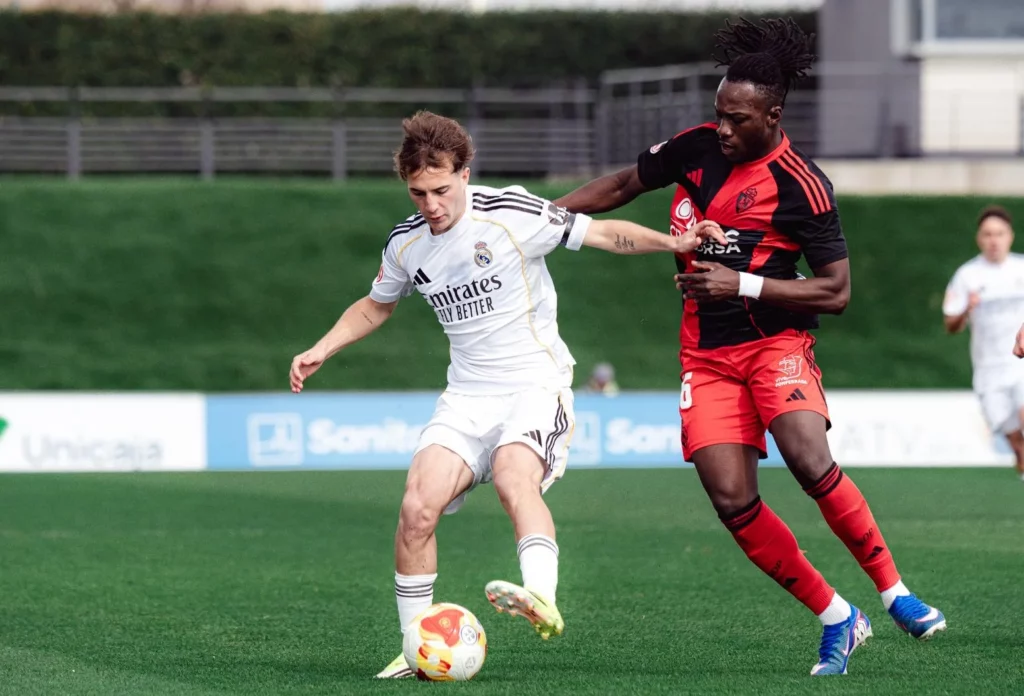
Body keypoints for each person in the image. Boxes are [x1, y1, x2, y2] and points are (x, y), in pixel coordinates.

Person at [553, 17, 945, 676]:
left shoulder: (803, 185)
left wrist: (746, 283)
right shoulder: (696, 147)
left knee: (806, 454)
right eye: (718, 115)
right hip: (705, 356)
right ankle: (837, 618)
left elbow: (836, 291)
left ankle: (894, 593)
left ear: (773, 114)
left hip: (775, 346)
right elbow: (623, 186)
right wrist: (543, 218)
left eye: (737, 119)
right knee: (730, 496)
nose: (723, 129)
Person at [287, 111, 727, 679]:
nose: (431, 204)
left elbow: (601, 234)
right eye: (418, 193)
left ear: (465, 173)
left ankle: (540, 595)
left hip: (534, 387)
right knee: (417, 508)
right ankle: (415, 647)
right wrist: (323, 347)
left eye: (442, 189)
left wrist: (676, 240)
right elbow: (377, 304)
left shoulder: (512, 213)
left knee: (515, 476)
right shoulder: (407, 243)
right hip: (467, 397)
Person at [944, 205, 1024, 480]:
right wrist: (967, 308)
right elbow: (950, 325)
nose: (994, 240)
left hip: (1020, 364)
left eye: (999, 234)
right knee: (1018, 445)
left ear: (1010, 236)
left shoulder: (1021, 268)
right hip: (989, 371)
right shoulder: (968, 275)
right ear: (980, 238)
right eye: (988, 234)